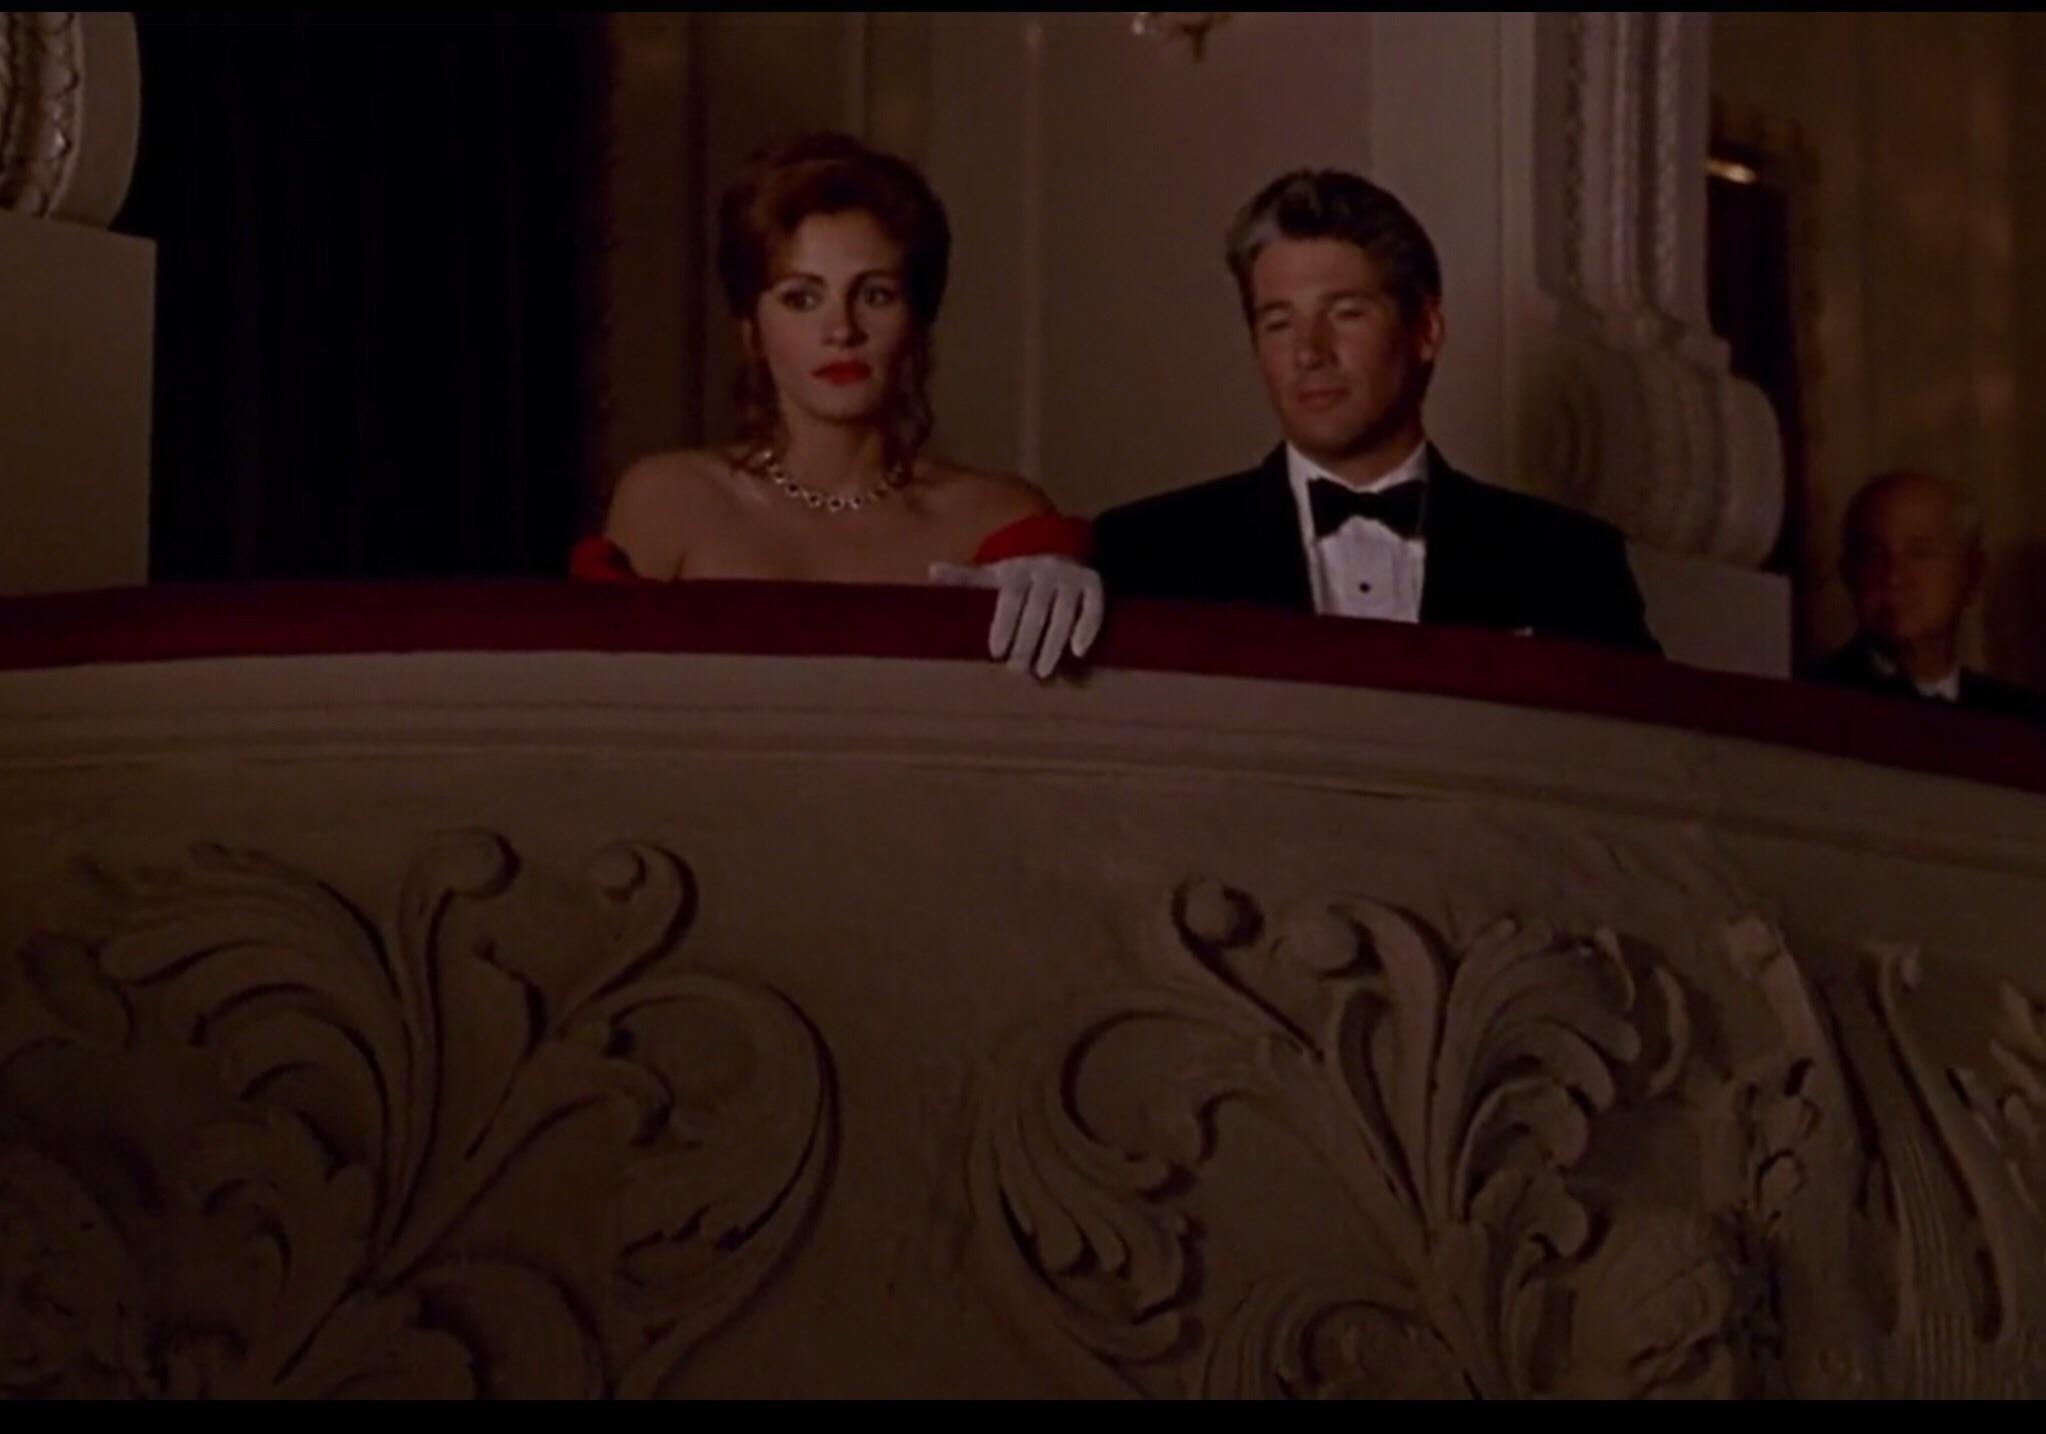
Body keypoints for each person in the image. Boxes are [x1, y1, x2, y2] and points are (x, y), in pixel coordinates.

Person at [572, 132, 1102, 679]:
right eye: (802, 298)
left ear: (917, 323)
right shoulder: (671, 500)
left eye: (875, 294)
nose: (841, 330)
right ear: (751, 331)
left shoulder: (998, 517)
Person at [1091, 167, 1660, 654]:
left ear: (1425, 330)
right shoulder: (1144, 555)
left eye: (1346, 313)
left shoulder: (1571, 561)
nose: (1309, 352)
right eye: (1278, 322)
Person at [1801, 469, 2046, 722]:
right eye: (1874, 555)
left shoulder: (2021, 720)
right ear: (1848, 574)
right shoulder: (1808, 701)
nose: (1894, 577)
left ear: (1972, 575)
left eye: (1920, 553)